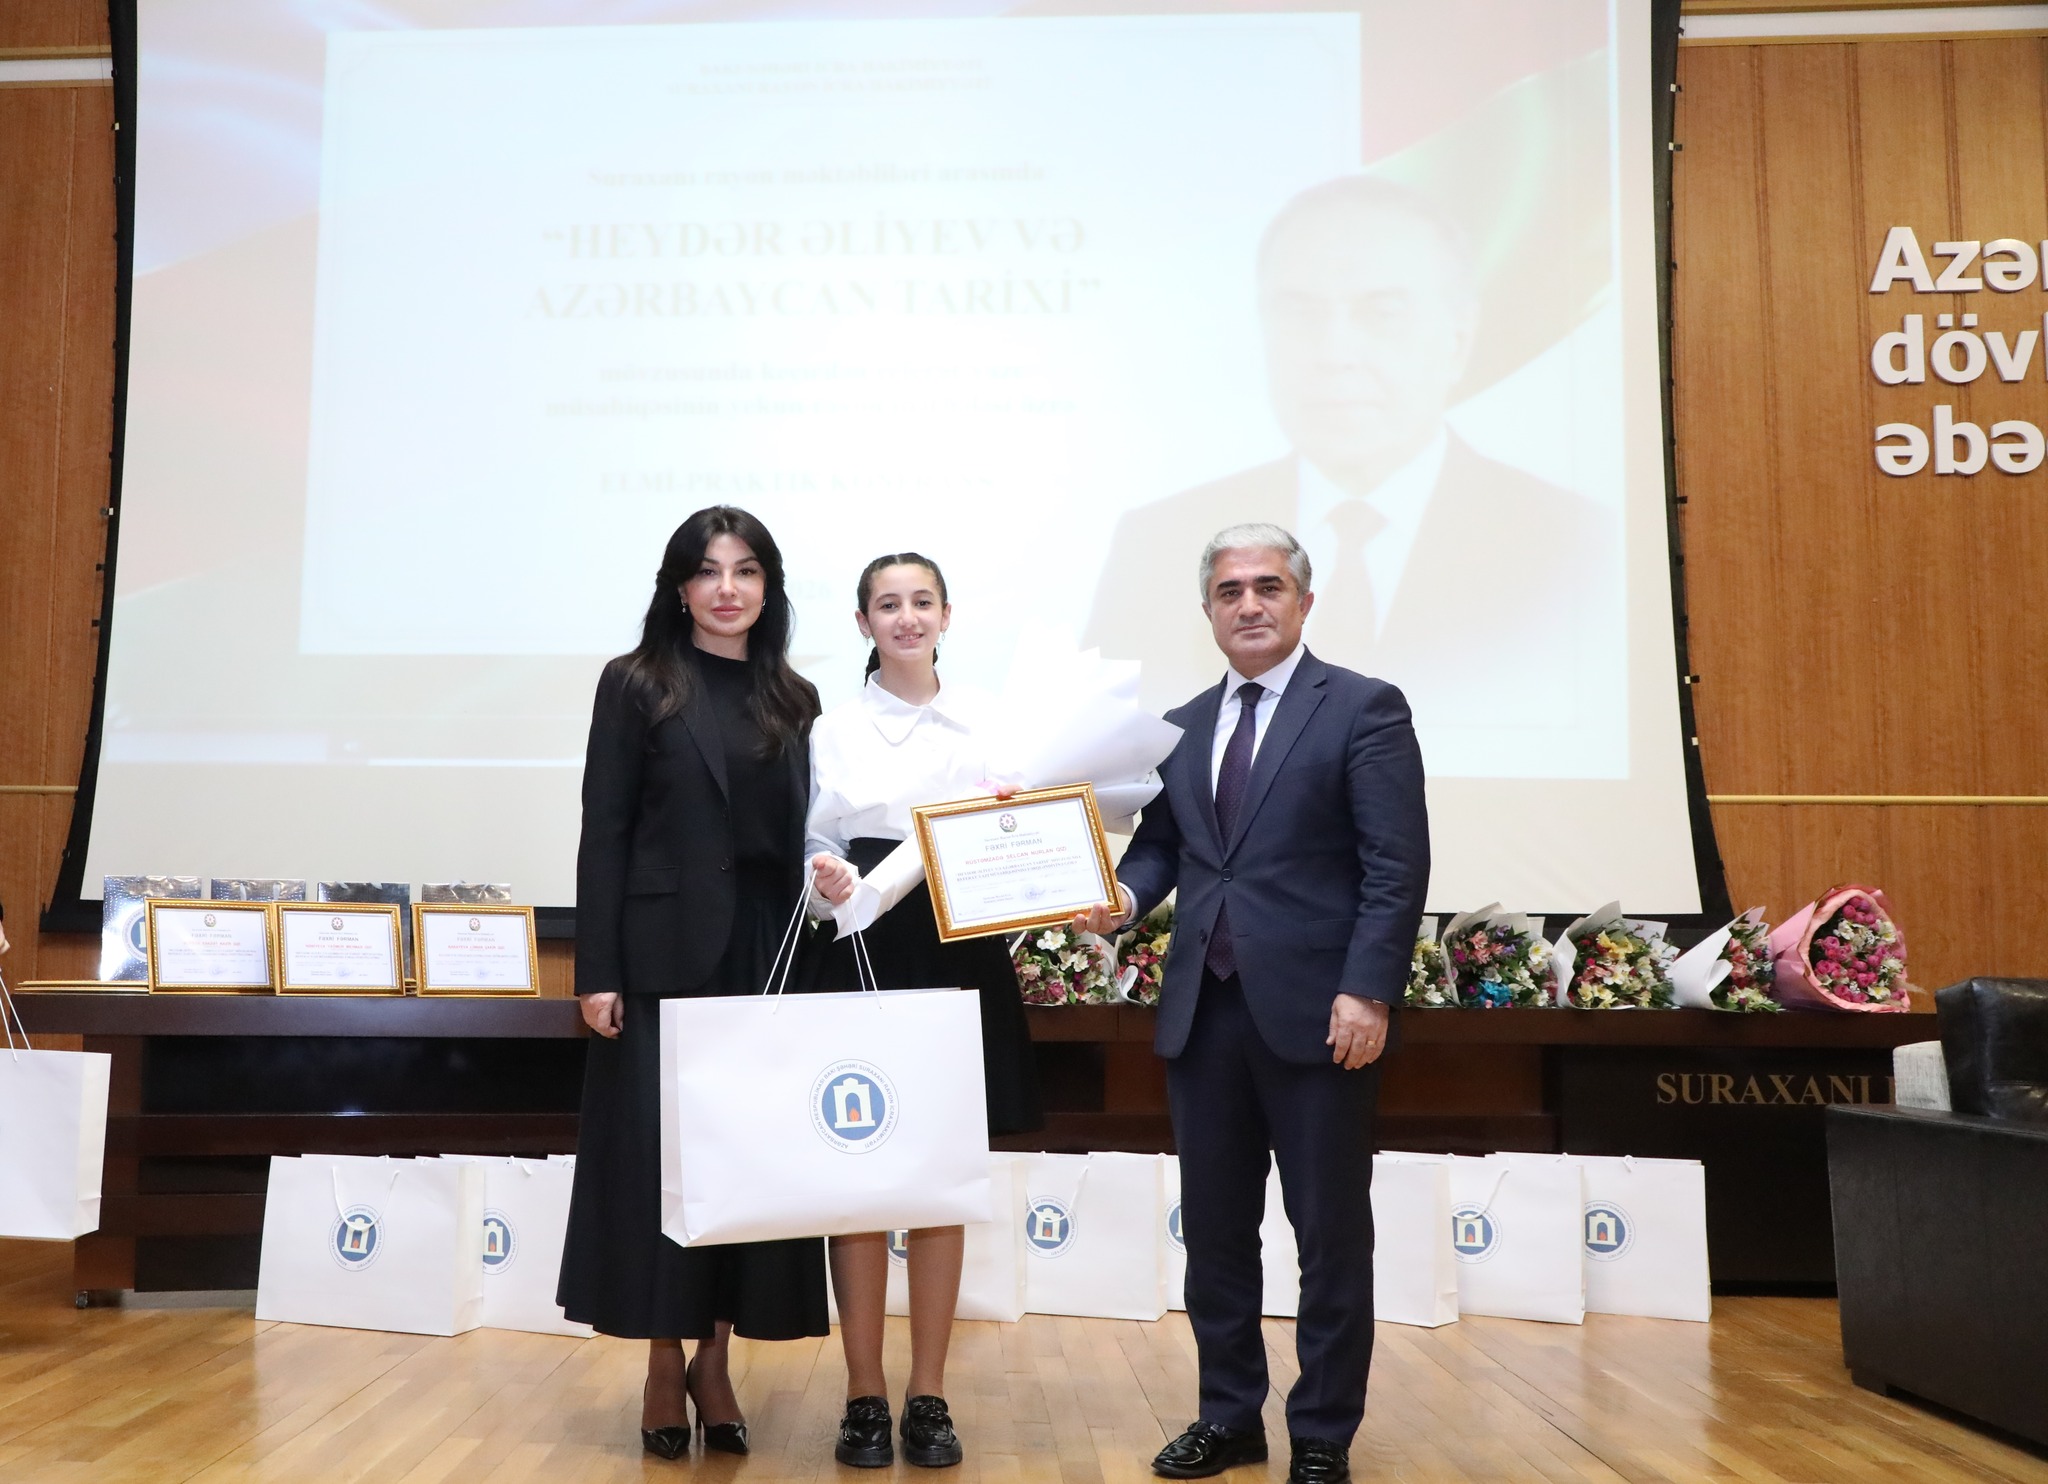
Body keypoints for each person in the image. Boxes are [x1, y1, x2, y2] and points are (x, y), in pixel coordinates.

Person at [1076, 523, 1428, 1484]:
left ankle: (1322, 1431)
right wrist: (1122, 900)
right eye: (1230, 591)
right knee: (1216, 1236)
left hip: (1322, 1016)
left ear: (1304, 601)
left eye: (1269, 586)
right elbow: (1162, 849)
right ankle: (1229, 1417)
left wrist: (1368, 990)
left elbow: (1396, 866)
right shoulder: (1183, 725)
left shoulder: (1362, 708)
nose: (1250, 604)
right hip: (1206, 1015)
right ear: (1208, 611)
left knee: (1328, 1234)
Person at [1084, 175, 1620, 740]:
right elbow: (1100, 754)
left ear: (1458, 339)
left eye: (1381, 314)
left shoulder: (1574, 543)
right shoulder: (1156, 543)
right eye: (1300, 315)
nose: (1335, 354)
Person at [558, 505, 829, 1461]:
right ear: (680, 588)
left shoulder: (794, 696)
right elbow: (605, 830)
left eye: (746, 571)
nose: (727, 589)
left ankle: (717, 1360)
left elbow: (807, 833)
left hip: (765, 959)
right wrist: (599, 969)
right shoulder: (636, 683)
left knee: (742, 1166)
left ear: (768, 588)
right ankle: (663, 1362)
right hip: (661, 960)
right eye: (708, 571)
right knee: (662, 1167)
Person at [805, 552, 1044, 1470]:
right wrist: (827, 880)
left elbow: (1021, 836)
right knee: (858, 1170)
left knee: (941, 1175)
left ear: (947, 615)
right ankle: (864, 1393)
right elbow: (815, 844)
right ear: (862, 622)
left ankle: (928, 1394)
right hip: (862, 945)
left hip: (958, 946)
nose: (906, 618)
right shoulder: (831, 727)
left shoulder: (990, 721)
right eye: (887, 604)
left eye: (921, 602)